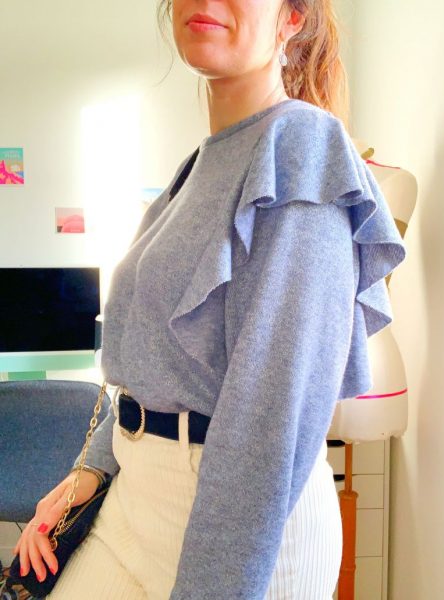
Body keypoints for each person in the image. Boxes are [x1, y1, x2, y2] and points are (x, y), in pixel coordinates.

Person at [12, 0, 407, 598]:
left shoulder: (301, 148)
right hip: (134, 495)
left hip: (236, 519)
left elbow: (271, 417)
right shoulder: (198, 165)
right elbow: (152, 365)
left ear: (292, 18)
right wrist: (90, 470)